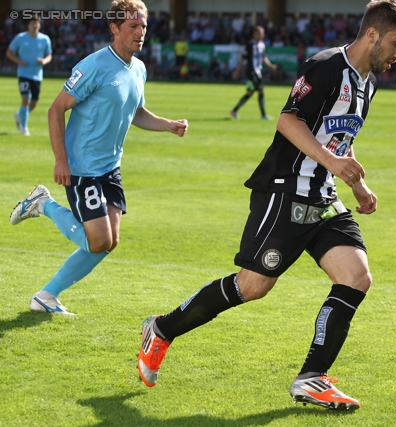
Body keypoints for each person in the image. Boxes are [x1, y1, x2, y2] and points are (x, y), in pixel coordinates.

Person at [138, 0, 396, 411]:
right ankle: (161, 328)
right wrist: (333, 163)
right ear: (373, 34)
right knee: (253, 286)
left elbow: (340, 137)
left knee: (356, 277)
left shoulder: (368, 83)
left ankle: (312, 377)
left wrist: (358, 184)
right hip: (285, 191)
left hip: (324, 197)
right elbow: (288, 121)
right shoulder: (324, 66)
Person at [9, 0, 188, 316]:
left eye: (143, 26)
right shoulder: (93, 65)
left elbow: (137, 112)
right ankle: (43, 204)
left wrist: (168, 125)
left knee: (110, 241)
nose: (140, 32)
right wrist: (60, 160)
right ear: (115, 28)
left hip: (110, 167)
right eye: (133, 26)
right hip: (83, 167)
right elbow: (55, 109)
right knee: (97, 241)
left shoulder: (139, 68)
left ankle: (46, 296)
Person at [6, 15, 52, 136]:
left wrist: (44, 61)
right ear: (28, 25)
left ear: (40, 24)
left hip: (37, 75)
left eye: (37, 22)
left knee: (34, 102)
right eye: (32, 22)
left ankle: (20, 115)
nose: (35, 25)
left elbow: (49, 55)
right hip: (24, 74)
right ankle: (24, 128)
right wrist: (19, 61)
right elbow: (9, 53)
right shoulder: (20, 38)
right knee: (25, 98)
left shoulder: (45, 39)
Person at [229, 26, 278, 120]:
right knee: (261, 91)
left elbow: (263, 58)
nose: (259, 35)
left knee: (250, 93)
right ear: (254, 34)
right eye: (258, 33)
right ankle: (263, 115)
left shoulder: (262, 45)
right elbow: (243, 59)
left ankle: (234, 110)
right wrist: (237, 71)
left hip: (258, 72)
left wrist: (270, 65)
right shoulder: (250, 45)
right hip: (251, 72)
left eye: (261, 33)